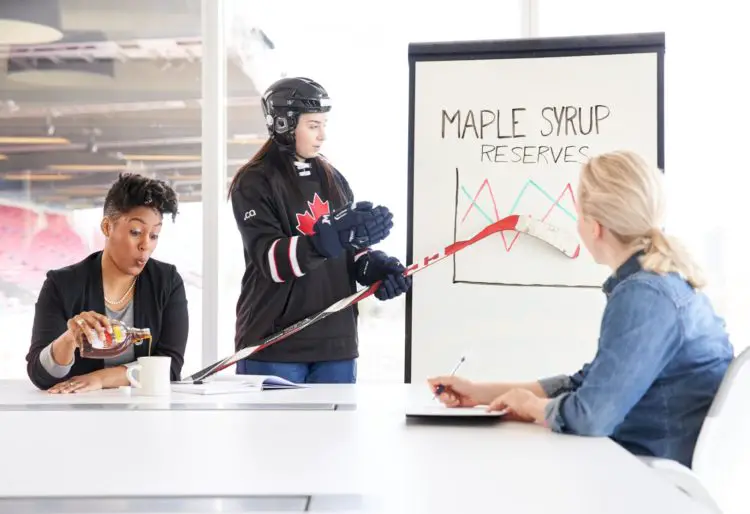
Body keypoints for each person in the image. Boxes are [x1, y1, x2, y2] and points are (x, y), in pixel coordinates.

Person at [428, 150, 734, 468]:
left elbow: (592, 417)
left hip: (648, 479)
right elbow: (585, 384)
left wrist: (533, 406)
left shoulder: (645, 296)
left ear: (594, 226)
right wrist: (479, 394)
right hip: (646, 467)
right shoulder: (660, 285)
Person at [227, 76, 410, 384]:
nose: (322, 135)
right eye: (313, 125)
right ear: (284, 124)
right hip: (274, 345)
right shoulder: (255, 181)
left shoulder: (333, 179)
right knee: (273, 435)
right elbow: (272, 261)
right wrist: (330, 237)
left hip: (335, 344)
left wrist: (373, 267)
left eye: (324, 124)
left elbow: (350, 254)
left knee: (336, 435)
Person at [26, 173, 189, 393]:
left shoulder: (167, 282)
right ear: (106, 227)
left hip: (145, 415)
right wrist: (69, 339)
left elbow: (169, 368)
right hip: (78, 414)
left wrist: (100, 379)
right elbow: (40, 375)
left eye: (154, 235)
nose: (145, 245)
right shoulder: (62, 284)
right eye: (136, 232)